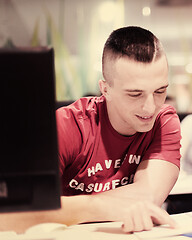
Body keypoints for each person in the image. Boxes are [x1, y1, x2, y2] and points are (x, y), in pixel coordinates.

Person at [0, 26, 181, 233]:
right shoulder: (68, 125)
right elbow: (13, 214)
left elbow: (147, 197)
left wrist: (68, 208)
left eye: (160, 91)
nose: (150, 107)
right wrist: (95, 206)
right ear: (105, 89)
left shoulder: (163, 121)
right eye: (134, 94)